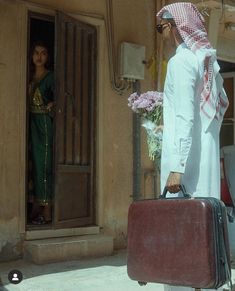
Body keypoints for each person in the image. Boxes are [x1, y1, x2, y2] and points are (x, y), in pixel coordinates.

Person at [156, 3, 229, 291]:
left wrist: (177, 167)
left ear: (174, 27)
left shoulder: (182, 61)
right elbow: (206, 113)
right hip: (203, 162)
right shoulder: (206, 60)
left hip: (186, 168)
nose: (161, 35)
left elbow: (186, 116)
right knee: (204, 235)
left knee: (182, 236)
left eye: (161, 28)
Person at [28, 41, 55, 225]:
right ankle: (35, 204)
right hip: (30, 121)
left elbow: (60, 97)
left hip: (44, 123)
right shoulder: (28, 76)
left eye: (43, 53)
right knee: (31, 163)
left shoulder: (50, 77)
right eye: (36, 53)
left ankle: (47, 209)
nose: (39, 57)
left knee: (43, 163)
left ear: (47, 57)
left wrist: (52, 104)